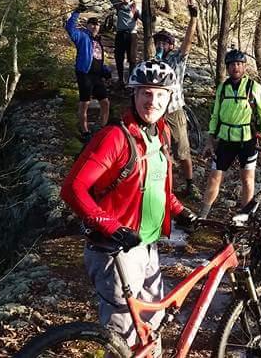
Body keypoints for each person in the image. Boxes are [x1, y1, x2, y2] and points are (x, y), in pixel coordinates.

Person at [60, 60, 198, 350]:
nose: (153, 101)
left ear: (169, 98)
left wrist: (178, 210)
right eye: (146, 93)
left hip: (147, 246)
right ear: (134, 95)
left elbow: (157, 184)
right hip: (115, 251)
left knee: (154, 321)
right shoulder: (114, 138)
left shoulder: (161, 134)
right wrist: (110, 226)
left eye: (161, 94)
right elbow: (73, 188)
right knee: (123, 335)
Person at [198, 49, 261, 219]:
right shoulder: (222, 89)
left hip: (247, 140)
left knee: (247, 180)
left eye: (239, 64)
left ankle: (243, 218)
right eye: (232, 64)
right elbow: (215, 115)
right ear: (227, 67)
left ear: (245, 67)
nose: (235, 68)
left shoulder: (254, 87)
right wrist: (210, 140)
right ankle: (202, 216)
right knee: (214, 178)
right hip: (225, 140)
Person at [153, 3, 200, 199]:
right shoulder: (153, 63)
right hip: (156, 113)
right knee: (159, 150)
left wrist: (193, 19)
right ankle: (162, 186)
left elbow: (187, 44)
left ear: (171, 45)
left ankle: (190, 186)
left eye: (164, 43)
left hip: (174, 111)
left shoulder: (177, 60)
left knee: (182, 149)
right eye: (158, 42)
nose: (160, 45)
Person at [65, 13, 111, 142]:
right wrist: (76, 13)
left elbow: (98, 58)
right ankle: (85, 132)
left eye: (97, 24)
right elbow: (69, 28)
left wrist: (105, 70)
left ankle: (102, 128)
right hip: (84, 74)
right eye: (92, 24)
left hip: (97, 76)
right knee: (85, 103)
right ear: (87, 26)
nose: (95, 26)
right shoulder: (82, 36)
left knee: (105, 102)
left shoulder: (98, 41)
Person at [98, 0, 140, 85]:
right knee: (119, 57)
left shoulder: (136, 6)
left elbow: (145, 18)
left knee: (132, 58)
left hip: (132, 35)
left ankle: (131, 80)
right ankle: (121, 79)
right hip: (120, 34)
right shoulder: (118, 5)